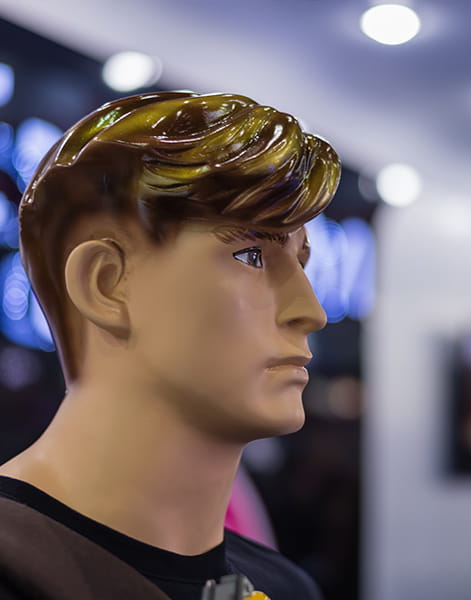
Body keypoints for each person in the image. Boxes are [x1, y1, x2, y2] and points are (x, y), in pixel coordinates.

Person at [0, 91, 340, 599]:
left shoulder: (284, 586)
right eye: (251, 255)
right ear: (107, 284)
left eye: (302, 262)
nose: (311, 311)